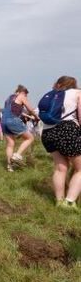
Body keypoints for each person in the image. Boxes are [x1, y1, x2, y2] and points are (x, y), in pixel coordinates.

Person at [40, 76, 81, 210]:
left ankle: (59, 200)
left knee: (61, 167)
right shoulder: (77, 93)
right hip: (67, 130)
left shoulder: (52, 95)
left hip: (47, 132)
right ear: (74, 84)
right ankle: (69, 202)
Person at [2, 85, 39, 172]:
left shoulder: (8, 99)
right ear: (23, 92)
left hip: (3, 121)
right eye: (26, 94)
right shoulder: (21, 96)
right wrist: (36, 117)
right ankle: (16, 156)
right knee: (30, 138)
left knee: (10, 143)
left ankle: (9, 165)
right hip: (13, 120)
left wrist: (30, 117)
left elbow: (19, 112)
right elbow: (30, 109)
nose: (26, 96)